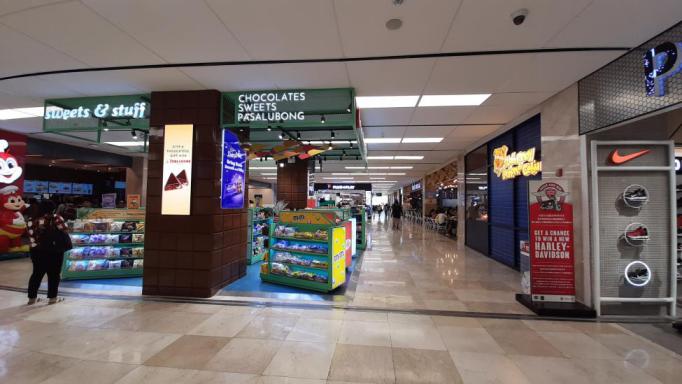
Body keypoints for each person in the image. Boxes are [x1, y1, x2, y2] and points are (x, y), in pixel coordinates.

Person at [26, 200, 72, 305]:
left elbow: (30, 234)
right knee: (54, 274)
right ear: (53, 208)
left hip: (36, 250)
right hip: (54, 250)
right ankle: (52, 298)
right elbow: (65, 229)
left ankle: (31, 298)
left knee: (36, 274)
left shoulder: (31, 219)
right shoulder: (56, 217)